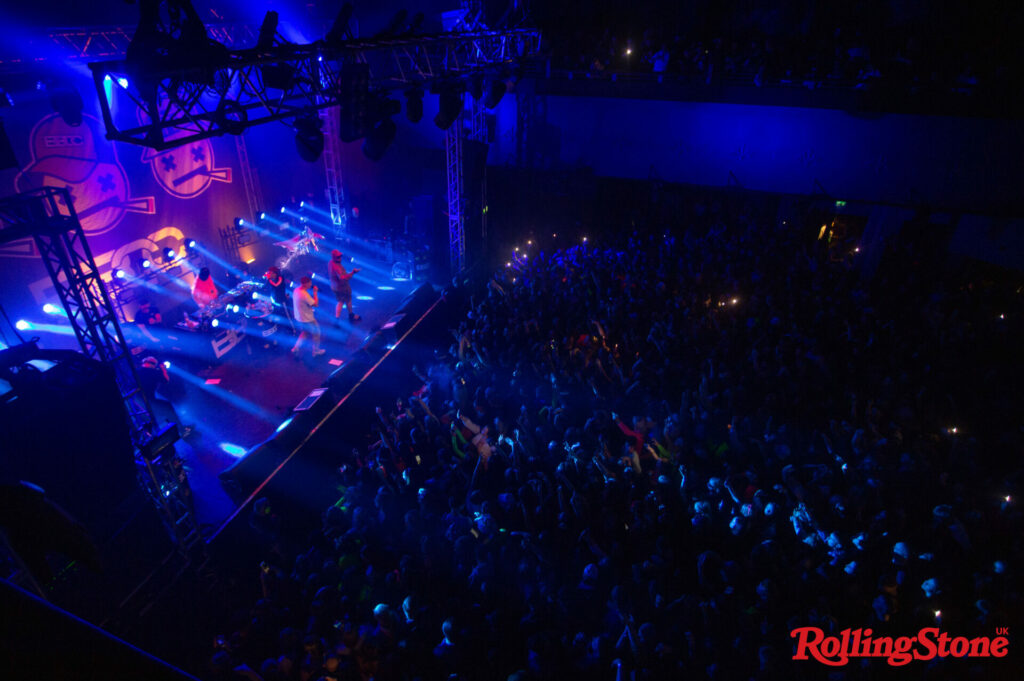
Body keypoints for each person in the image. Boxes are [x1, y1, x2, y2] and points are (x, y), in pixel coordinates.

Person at [291, 275, 325, 358]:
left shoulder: (296, 290)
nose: (311, 285)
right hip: (307, 318)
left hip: (299, 317)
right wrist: (315, 293)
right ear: (306, 284)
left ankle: (296, 348)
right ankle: (316, 351)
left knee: (305, 333)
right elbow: (315, 304)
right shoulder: (304, 294)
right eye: (310, 283)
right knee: (317, 333)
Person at [328, 249, 361, 322]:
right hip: (341, 287)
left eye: (340, 256)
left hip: (336, 286)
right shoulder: (336, 266)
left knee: (345, 300)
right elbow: (342, 277)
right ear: (334, 257)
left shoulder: (331, 262)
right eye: (338, 257)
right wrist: (353, 272)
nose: (340, 258)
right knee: (342, 301)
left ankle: (349, 315)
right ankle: (338, 319)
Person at [264, 266, 295, 333]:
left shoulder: (280, 278)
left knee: (287, 316)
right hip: (275, 302)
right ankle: (286, 330)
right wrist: (267, 279)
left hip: (282, 300)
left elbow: (276, 285)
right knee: (281, 316)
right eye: (269, 273)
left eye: (270, 273)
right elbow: (265, 287)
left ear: (275, 273)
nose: (269, 274)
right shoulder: (271, 280)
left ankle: (293, 330)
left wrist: (269, 279)